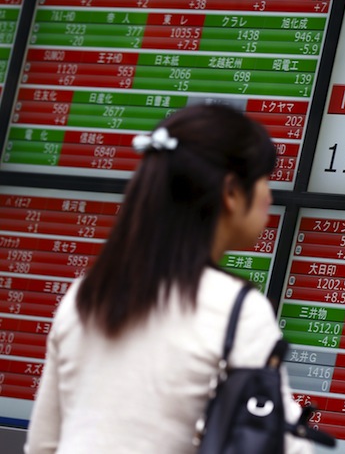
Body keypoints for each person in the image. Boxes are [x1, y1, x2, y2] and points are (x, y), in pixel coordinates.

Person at [25, 104, 313, 454]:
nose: (269, 195)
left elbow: (43, 444)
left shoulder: (87, 293)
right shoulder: (238, 310)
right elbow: (284, 447)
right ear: (232, 192)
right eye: (264, 180)